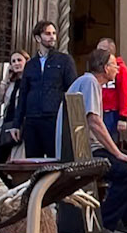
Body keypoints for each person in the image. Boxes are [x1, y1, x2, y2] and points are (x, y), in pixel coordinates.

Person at [66, 46, 127, 233]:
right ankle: (106, 222)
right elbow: (93, 121)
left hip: (91, 146)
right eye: (113, 65)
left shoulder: (90, 83)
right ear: (104, 67)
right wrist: (117, 153)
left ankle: (121, 220)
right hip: (85, 150)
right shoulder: (90, 82)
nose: (117, 69)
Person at [6, 18, 77, 159]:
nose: (52, 37)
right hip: (32, 120)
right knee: (32, 161)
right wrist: (16, 124)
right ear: (38, 38)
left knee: (54, 160)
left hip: (54, 118)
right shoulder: (30, 65)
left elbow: (72, 90)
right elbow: (23, 95)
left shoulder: (64, 60)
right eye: (47, 33)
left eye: (54, 33)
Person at [0, 52, 27, 170]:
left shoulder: (30, 82)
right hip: (6, 124)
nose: (16, 63)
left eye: (19, 60)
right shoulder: (11, 83)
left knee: (16, 160)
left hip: (21, 125)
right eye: (13, 61)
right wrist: (5, 80)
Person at [97, 37, 127, 144]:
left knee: (110, 143)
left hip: (112, 113)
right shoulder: (98, 68)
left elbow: (125, 93)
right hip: (99, 111)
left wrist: (123, 117)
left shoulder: (121, 69)